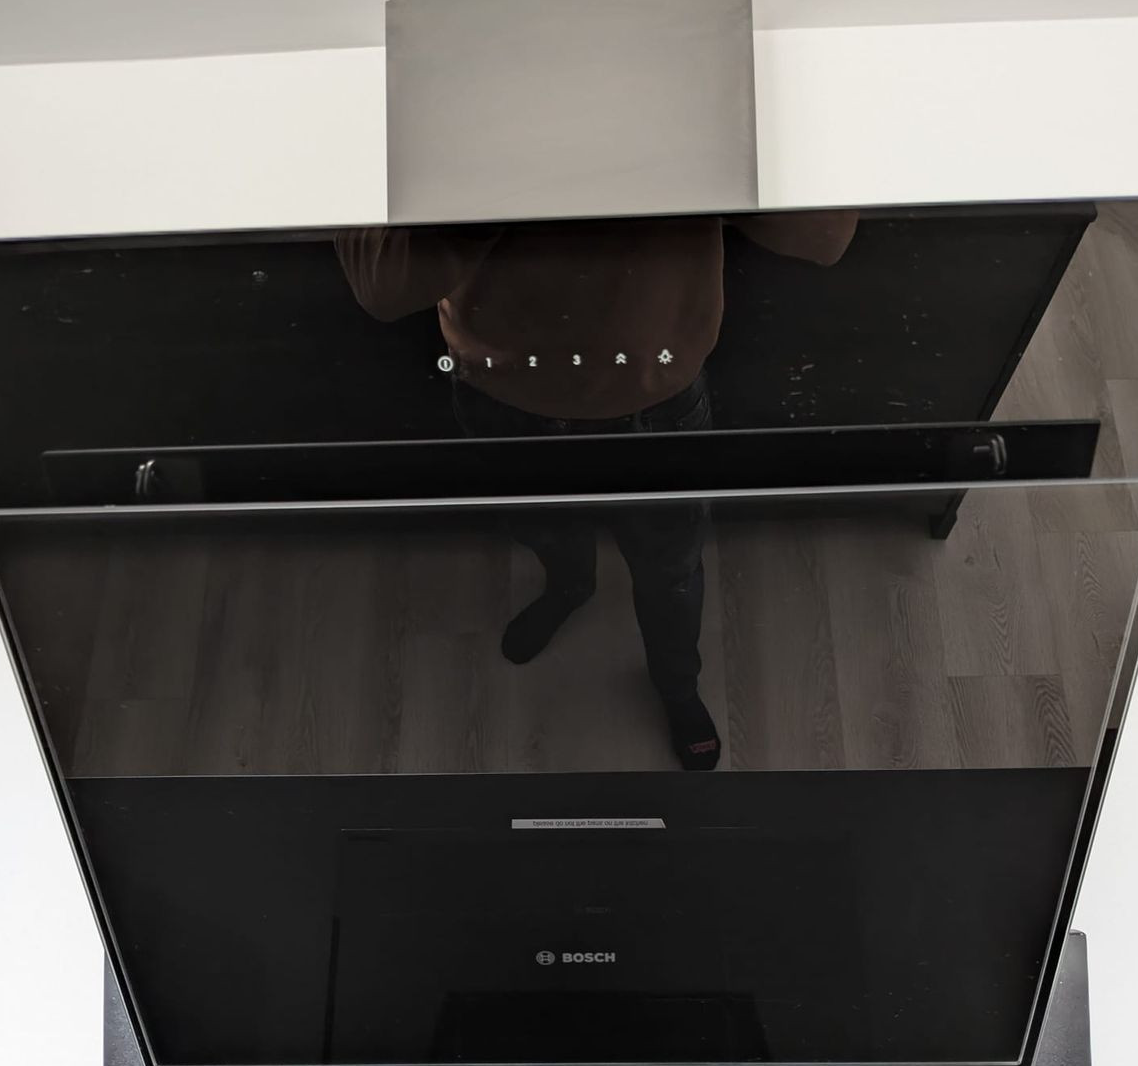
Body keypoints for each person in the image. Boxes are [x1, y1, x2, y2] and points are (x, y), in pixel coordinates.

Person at [335, 211, 857, 770]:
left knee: (671, 571)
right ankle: (571, 586)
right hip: (507, 394)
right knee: (547, 530)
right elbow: (381, 284)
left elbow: (824, 236)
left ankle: (676, 683)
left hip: (652, 398)